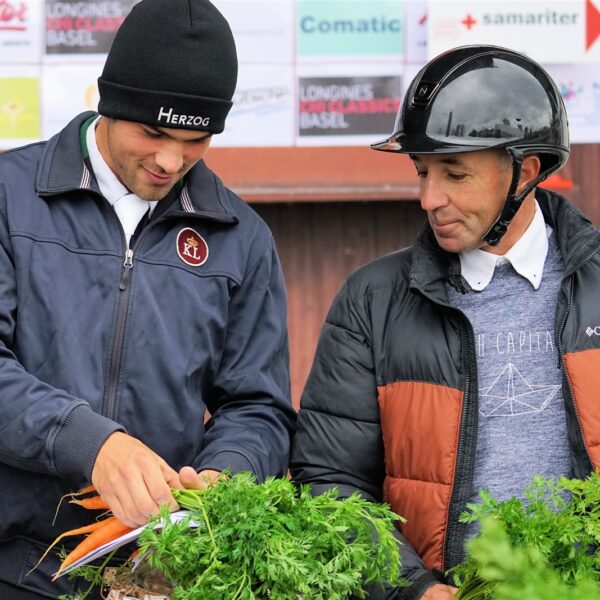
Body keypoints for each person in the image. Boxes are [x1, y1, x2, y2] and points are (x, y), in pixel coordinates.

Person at [0, 0, 295, 597]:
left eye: (196, 139)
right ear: (108, 102)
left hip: (160, 577)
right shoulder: (9, 197)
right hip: (13, 567)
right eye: (153, 132)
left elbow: (258, 406)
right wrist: (91, 444)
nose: (169, 160)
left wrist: (226, 476)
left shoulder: (242, 238)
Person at [290, 45, 600, 599]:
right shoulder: (371, 301)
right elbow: (330, 482)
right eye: (422, 172)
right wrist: (414, 590)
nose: (429, 198)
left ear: (526, 172)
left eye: (455, 174)